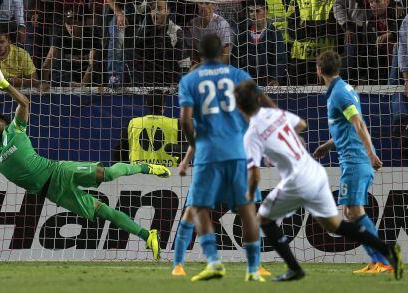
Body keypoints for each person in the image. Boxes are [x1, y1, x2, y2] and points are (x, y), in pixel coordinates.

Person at [0, 61, 168, 260]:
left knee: (108, 174)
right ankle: (149, 236)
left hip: (59, 172)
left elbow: (24, 101)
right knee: (104, 212)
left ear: (5, 125)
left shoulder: (16, 130)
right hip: (52, 192)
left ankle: (147, 166)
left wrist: (4, 84)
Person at [235, 79, 403, 281]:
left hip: (297, 180)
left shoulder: (252, 133)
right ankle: (387, 251)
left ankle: (294, 268)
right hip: (315, 173)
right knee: (335, 224)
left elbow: (254, 174)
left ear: (239, 107)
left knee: (263, 219)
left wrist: (248, 195)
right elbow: (301, 124)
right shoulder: (276, 114)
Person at [173, 33, 263, 282]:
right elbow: (255, 111)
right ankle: (253, 269)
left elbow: (185, 121)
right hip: (237, 152)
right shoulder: (238, 75)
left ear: (199, 53)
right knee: (247, 209)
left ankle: (213, 261)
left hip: (209, 154)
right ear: (223, 51)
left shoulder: (190, 80)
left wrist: (194, 146)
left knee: (199, 208)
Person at [313, 51, 391, 273]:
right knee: (350, 211)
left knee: (353, 211)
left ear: (318, 70)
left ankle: (384, 260)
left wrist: (370, 153)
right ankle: (378, 260)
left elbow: (359, 124)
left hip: (356, 160)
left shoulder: (339, 94)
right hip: (353, 159)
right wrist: (328, 146)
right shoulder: (344, 89)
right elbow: (348, 127)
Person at [113, 89, 183, 167]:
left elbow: (119, 152)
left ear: (146, 104)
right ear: (164, 105)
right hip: (167, 173)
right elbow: (184, 152)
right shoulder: (175, 124)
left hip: (139, 174)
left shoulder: (133, 123)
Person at [231, 0, 287, 86]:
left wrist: (275, 78)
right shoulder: (242, 34)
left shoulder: (274, 33)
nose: (253, 14)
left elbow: (280, 58)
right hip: (246, 82)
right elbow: (234, 58)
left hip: (268, 82)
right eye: (251, 11)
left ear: (266, 12)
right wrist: (237, 77)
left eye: (257, 11)